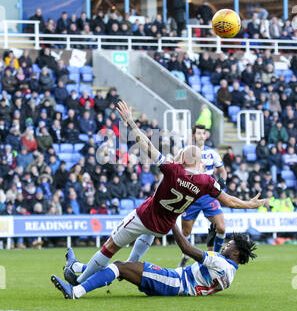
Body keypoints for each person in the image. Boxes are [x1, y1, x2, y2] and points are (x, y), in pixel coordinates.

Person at [61, 100, 264, 287]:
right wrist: (250, 204)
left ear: (182, 160)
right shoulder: (206, 182)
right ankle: (117, 267)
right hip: (163, 226)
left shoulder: (173, 170)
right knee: (137, 251)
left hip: (146, 215)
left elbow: (147, 146)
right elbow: (229, 200)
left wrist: (130, 122)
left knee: (110, 246)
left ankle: (78, 279)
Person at [50, 224, 257, 299]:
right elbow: (210, 264)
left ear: (237, 254)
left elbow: (187, 249)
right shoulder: (229, 271)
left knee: (120, 267)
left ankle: (75, 291)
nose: (226, 245)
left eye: (230, 245)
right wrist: (212, 241)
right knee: (122, 268)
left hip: (175, 282)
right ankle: (77, 269)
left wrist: (172, 224)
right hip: (177, 283)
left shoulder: (221, 264)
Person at [177, 124, 228, 268]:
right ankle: (186, 255)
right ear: (194, 136)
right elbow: (177, 170)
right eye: (198, 133)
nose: (201, 136)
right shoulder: (185, 152)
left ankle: (215, 258)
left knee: (221, 227)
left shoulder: (212, 153)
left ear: (206, 136)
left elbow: (223, 171)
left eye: (203, 133)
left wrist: (222, 181)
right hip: (191, 196)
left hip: (208, 195)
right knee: (185, 233)